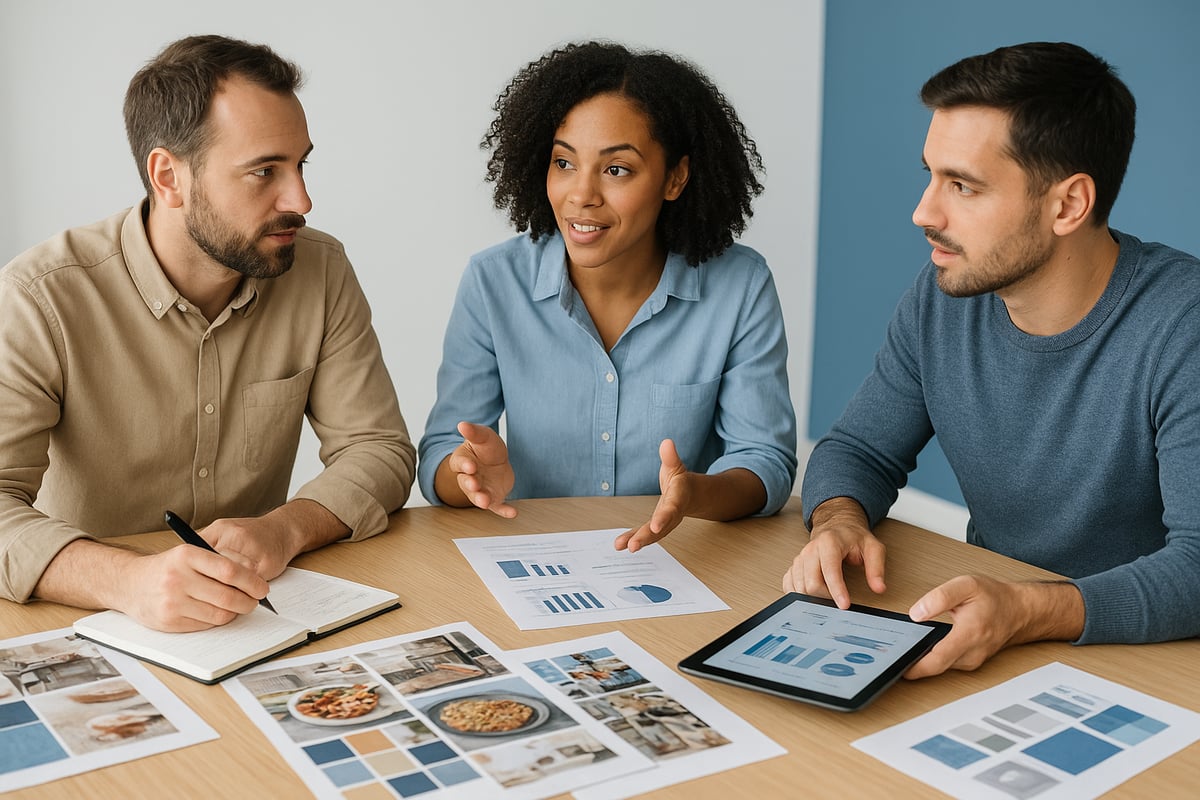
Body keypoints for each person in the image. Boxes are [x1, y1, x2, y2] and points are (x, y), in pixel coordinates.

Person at [786, 41, 1200, 678]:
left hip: (1153, 662)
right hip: (994, 641)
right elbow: (859, 451)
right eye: (929, 174)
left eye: (963, 186)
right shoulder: (944, 293)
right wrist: (836, 521)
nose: (924, 213)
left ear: (1068, 204)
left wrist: (1028, 611)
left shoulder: (1184, 325)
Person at [0, 35, 415, 631]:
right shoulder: (41, 295)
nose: (302, 198)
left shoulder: (319, 269)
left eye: (301, 164)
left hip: (256, 618)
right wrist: (127, 580)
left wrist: (285, 526)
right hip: (89, 618)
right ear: (168, 177)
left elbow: (378, 448)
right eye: (264, 171)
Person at [418, 41, 796, 551]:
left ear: (675, 178)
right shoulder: (493, 282)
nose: (581, 194)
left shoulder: (740, 286)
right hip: (534, 558)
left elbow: (763, 458)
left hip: (682, 557)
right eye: (564, 163)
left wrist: (696, 495)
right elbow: (441, 453)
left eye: (617, 169)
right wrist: (467, 475)